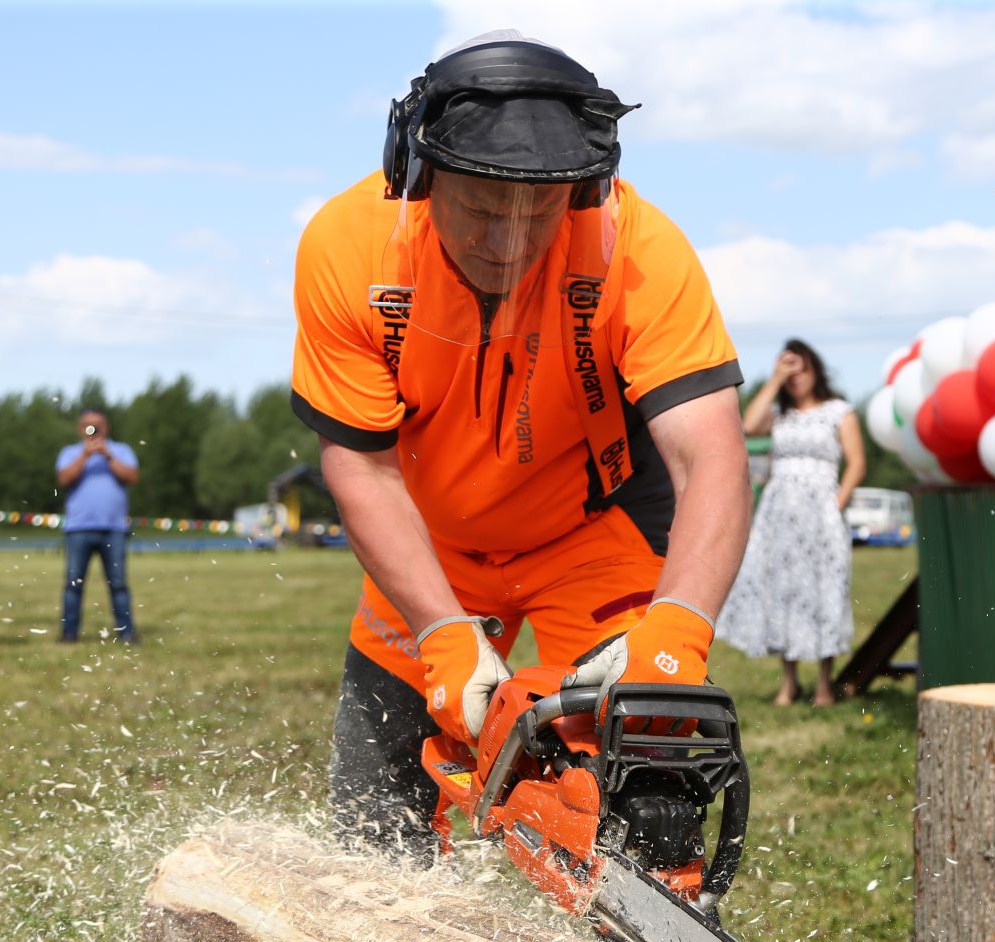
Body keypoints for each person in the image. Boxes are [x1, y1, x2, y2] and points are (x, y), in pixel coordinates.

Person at [291, 31, 749, 852]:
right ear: (420, 176)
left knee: (648, 803)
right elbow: (361, 466)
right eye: (480, 209)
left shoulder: (637, 248)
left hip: (592, 533)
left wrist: (677, 632)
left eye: (539, 210)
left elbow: (709, 453)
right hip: (430, 540)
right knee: (374, 820)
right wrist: (441, 633)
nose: (510, 241)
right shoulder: (349, 246)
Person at [717, 341, 866, 707]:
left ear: (815, 369)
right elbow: (748, 426)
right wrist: (775, 379)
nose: (796, 378)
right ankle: (789, 682)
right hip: (780, 515)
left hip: (821, 513)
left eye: (800, 369)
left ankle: (824, 684)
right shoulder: (779, 415)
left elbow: (857, 462)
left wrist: (838, 502)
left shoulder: (838, 411)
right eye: (789, 371)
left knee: (824, 592)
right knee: (785, 593)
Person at [55, 408, 140, 643]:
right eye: (88, 425)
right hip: (78, 528)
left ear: (106, 427)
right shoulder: (70, 452)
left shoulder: (120, 451)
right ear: (80, 428)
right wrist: (85, 455)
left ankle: (127, 633)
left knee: (119, 584)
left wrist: (107, 455)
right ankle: (69, 634)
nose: (93, 430)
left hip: (114, 529)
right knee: (73, 584)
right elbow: (64, 479)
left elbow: (132, 477)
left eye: (98, 425)